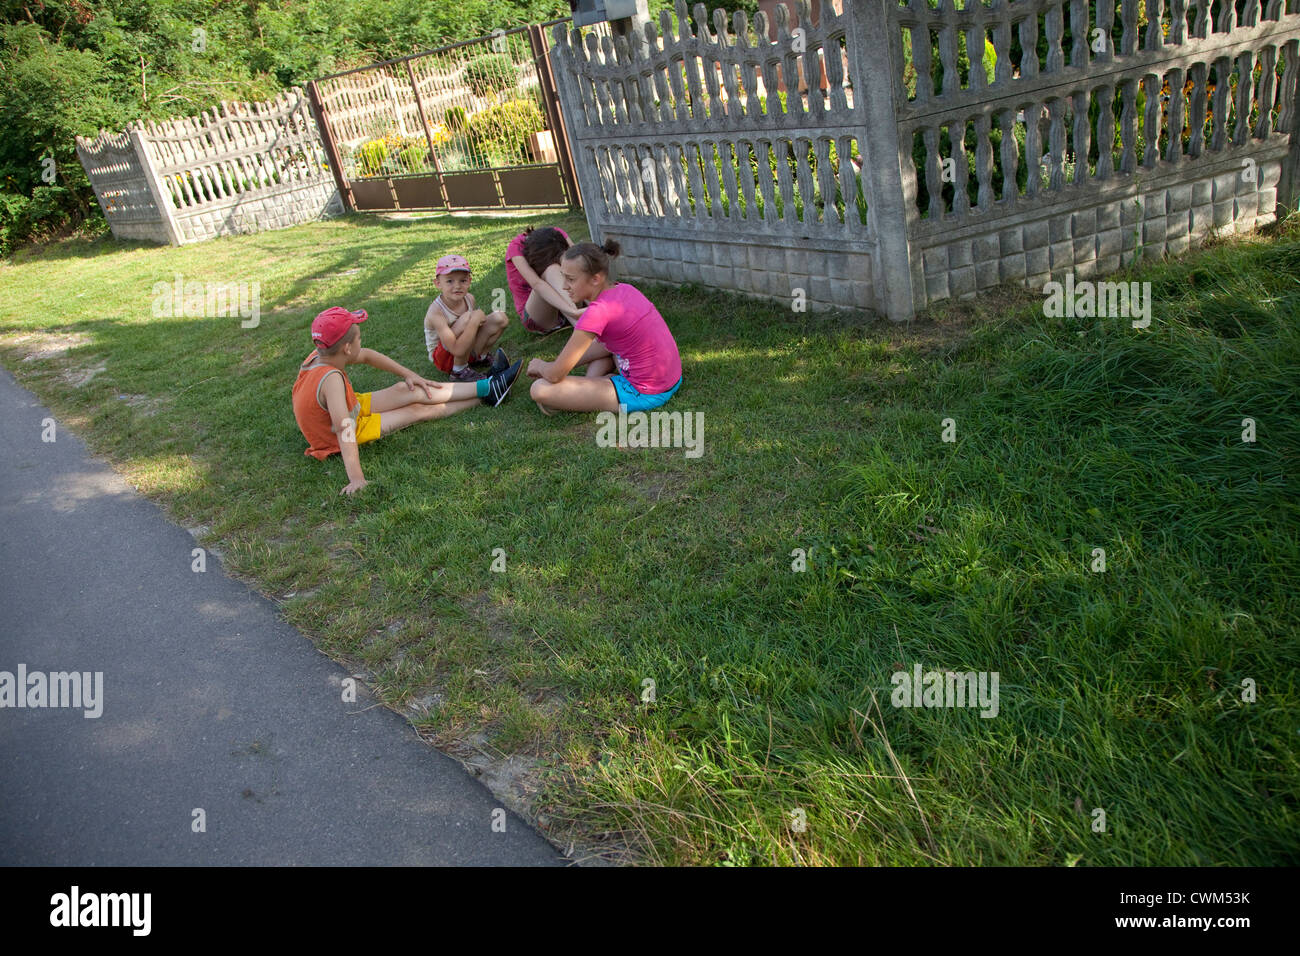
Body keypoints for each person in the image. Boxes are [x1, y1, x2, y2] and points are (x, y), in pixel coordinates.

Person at [293, 306, 521, 495]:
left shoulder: (320, 354)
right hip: (340, 431)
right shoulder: (331, 379)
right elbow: (344, 429)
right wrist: (356, 479)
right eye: (360, 338)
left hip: (351, 406)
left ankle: (488, 384)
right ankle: (489, 394)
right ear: (346, 348)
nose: (362, 342)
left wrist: (409, 374)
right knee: (417, 409)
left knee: (406, 388)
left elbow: (368, 356)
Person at [527, 240, 682, 415]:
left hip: (645, 392)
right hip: (671, 378)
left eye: (570, 279)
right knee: (601, 350)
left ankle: (588, 390)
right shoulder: (625, 289)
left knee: (540, 389)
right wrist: (556, 367)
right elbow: (599, 347)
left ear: (595, 279)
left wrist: (541, 366)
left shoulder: (597, 313)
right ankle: (591, 385)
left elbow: (555, 375)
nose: (564, 286)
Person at [424, 253, 509, 382]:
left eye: (462, 280)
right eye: (449, 281)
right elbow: (455, 349)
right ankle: (458, 371)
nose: (457, 286)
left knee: (500, 318)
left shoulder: (469, 298)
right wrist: (474, 320)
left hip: (464, 346)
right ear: (438, 283)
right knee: (467, 319)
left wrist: (475, 320)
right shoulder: (436, 312)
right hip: (443, 358)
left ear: (469, 281)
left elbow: (474, 329)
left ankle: (480, 357)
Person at [505, 225, 583, 334]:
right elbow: (537, 284)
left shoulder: (557, 234)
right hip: (540, 314)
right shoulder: (516, 247)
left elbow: (579, 262)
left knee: (574, 263)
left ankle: (601, 311)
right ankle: (584, 328)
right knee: (552, 270)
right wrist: (572, 312)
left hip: (573, 305)